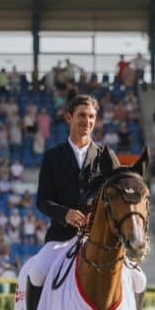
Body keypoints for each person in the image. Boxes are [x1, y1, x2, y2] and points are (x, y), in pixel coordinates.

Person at [36, 94, 119, 243]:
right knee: (37, 261)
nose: (87, 121)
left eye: (91, 116)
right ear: (69, 118)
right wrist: (65, 214)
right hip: (60, 238)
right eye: (82, 115)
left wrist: (99, 214)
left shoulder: (108, 157)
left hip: (100, 240)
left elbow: (118, 198)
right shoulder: (52, 157)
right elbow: (42, 201)